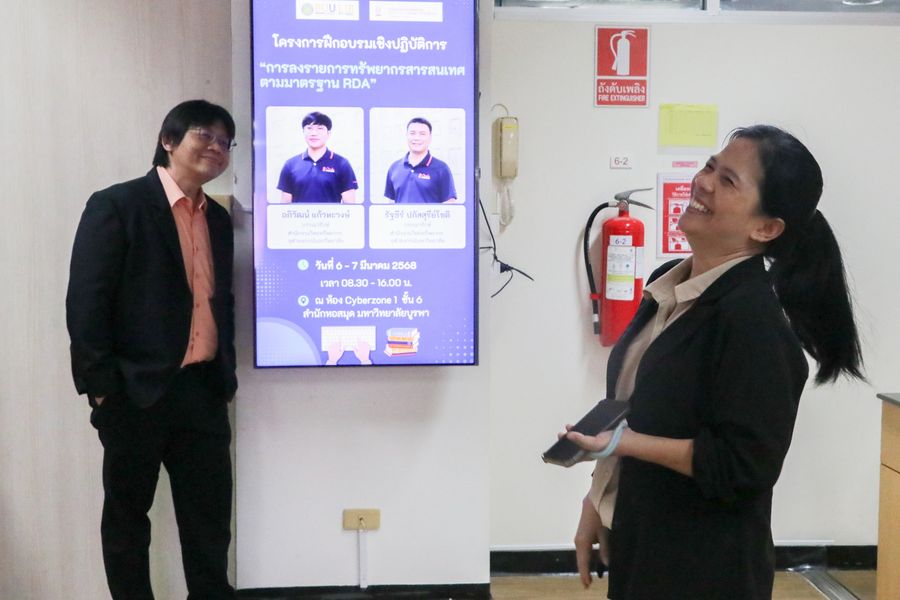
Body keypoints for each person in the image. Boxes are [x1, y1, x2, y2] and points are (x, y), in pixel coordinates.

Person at [562, 125, 864, 599]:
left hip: (704, 570)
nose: (702, 182)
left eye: (727, 181)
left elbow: (743, 466)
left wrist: (623, 443)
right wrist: (597, 500)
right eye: (709, 166)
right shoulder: (668, 283)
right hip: (643, 545)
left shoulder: (754, 323)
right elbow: (634, 406)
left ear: (766, 228)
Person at [66, 99, 239, 600]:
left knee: (209, 522)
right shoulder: (117, 205)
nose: (216, 148)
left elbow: (218, 301)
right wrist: (103, 390)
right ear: (168, 141)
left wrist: (223, 379)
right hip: (134, 393)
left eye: (225, 142)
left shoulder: (217, 218)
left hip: (202, 391)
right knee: (127, 521)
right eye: (204, 135)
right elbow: (86, 303)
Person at [277, 111, 359, 203]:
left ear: (328, 133)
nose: (314, 133)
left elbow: (350, 206)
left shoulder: (342, 164)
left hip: (330, 213)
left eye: (320, 128)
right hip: (299, 213)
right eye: (309, 128)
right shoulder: (290, 165)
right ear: (303, 132)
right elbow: (285, 205)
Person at [383, 117, 459, 204]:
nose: (417, 138)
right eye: (412, 133)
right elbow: (391, 202)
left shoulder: (442, 169)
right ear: (406, 135)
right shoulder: (394, 168)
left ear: (430, 137)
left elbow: (450, 203)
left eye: (422, 134)